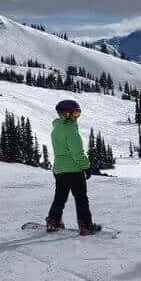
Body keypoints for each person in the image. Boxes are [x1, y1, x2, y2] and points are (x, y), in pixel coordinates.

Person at [47, 100, 102, 236]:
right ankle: (86, 225)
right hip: (74, 170)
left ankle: (53, 221)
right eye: (76, 113)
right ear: (66, 114)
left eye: (79, 113)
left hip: (60, 170)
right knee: (81, 198)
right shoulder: (70, 130)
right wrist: (86, 167)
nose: (77, 117)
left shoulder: (56, 129)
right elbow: (77, 153)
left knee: (60, 198)